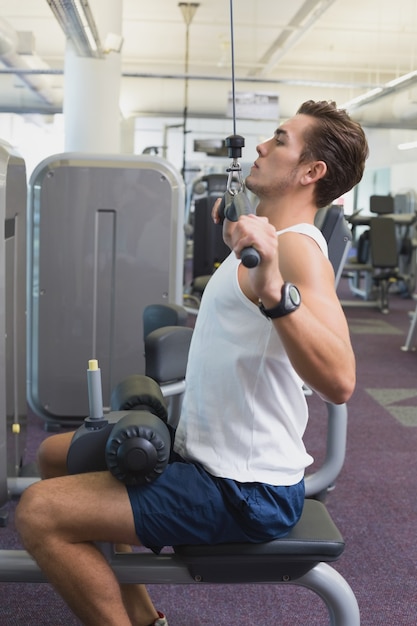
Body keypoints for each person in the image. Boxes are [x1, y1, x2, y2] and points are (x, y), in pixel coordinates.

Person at [16, 100, 368, 626]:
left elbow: (340, 381)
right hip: (207, 457)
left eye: (280, 139)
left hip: (245, 491)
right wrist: (238, 240)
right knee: (55, 455)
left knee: (38, 512)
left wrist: (274, 292)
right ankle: (145, 618)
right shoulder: (269, 239)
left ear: (311, 172)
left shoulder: (298, 252)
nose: (261, 146)